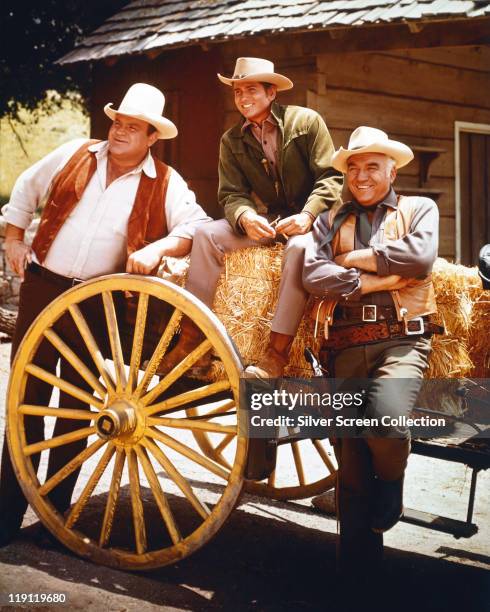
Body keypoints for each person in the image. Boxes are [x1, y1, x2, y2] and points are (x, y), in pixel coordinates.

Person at [0, 82, 211, 546]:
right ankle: (6, 512)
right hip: (43, 286)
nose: (119, 132)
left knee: (76, 406)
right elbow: (25, 188)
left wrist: (159, 246)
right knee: (25, 399)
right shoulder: (76, 152)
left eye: (132, 127)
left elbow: (194, 226)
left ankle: (55, 516)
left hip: (97, 304)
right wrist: (14, 237)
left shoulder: (166, 182)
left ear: (152, 136)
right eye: (117, 122)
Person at [302, 126, 441, 571]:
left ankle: (394, 480)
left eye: (372, 167)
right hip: (342, 344)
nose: (361, 176)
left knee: (387, 417)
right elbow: (311, 274)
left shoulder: (420, 208)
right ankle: (357, 578)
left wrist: (352, 259)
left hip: (401, 338)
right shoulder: (330, 219)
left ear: (392, 169)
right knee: (351, 467)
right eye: (354, 168)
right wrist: (375, 279)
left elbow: (420, 258)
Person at [158, 57, 343, 378]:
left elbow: (330, 177)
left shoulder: (306, 121)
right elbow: (231, 193)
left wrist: (308, 216)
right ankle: (192, 340)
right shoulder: (231, 140)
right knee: (206, 235)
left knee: (298, 250)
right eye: (238, 91)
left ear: (271, 93)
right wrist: (244, 217)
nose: (243, 97)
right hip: (272, 219)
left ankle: (276, 354)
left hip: (317, 220)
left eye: (251, 90)